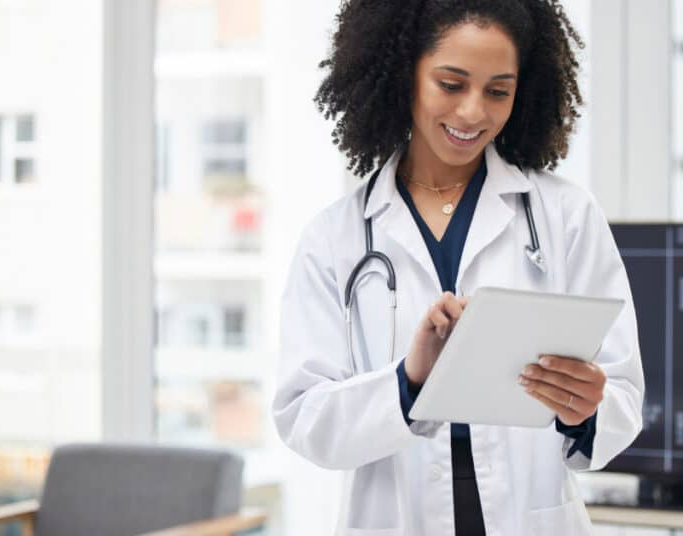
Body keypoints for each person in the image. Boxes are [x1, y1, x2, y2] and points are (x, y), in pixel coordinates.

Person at [273, 1, 644, 534]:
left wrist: (585, 409)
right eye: (450, 84)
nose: (473, 112)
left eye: (498, 90)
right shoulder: (336, 237)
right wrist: (410, 379)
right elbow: (305, 418)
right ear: (406, 75)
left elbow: (623, 393)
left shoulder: (565, 216)